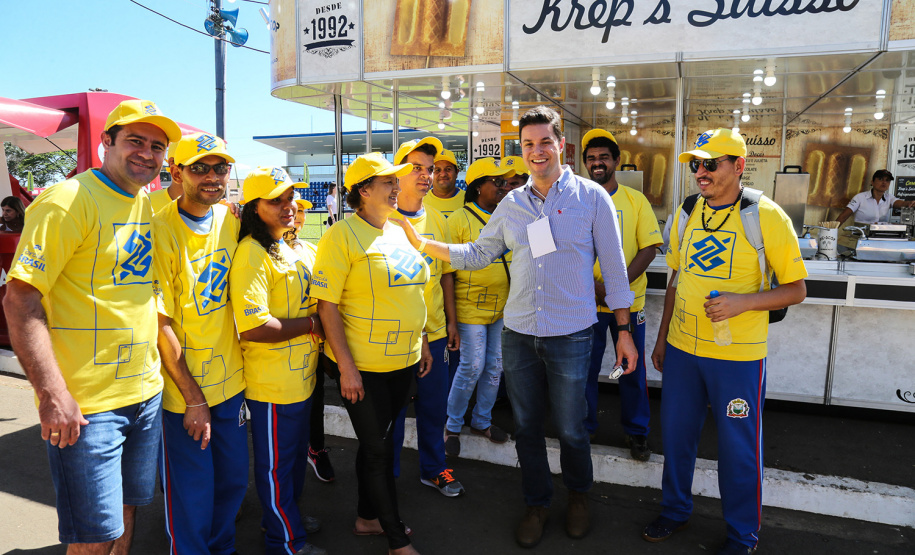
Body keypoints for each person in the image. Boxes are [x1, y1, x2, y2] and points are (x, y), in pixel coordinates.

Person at [391, 105, 637, 549]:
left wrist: (623, 330)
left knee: (572, 428)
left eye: (545, 142)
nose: (537, 151)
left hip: (573, 333)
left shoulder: (592, 198)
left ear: (561, 144)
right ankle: (537, 502)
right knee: (526, 427)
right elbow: (477, 255)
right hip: (520, 333)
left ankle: (578, 497)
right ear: (521, 150)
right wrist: (423, 242)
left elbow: (616, 271)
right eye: (528, 144)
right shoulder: (512, 203)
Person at [3, 99, 181, 553]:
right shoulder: (67, 202)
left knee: (126, 512)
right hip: (87, 408)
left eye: (156, 146)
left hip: (143, 394)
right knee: (92, 537)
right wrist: (52, 394)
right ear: (106, 142)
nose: (146, 153)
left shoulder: (142, 202)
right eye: (134, 141)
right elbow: (20, 300)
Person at [643, 129, 807, 555]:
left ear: (738, 166)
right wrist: (662, 339)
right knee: (677, 437)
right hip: (683, 349)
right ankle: (675, 511)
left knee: (738, 448)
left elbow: (796, 289)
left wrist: (743, 302)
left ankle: (742, 535)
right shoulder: (686, 211)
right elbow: (677, 278)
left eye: (711, 164)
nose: (701, 172)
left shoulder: (766, 215)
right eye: (696, 164)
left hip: (737, 358)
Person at [312, 152, 426, 555]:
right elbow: (327, 306)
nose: (398, 187)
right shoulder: (340, 236)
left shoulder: (399, 229)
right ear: (363, 190)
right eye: (388, 182)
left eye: (397, 181)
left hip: (405, 362)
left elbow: (413, 290)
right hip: (364, 368)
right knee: (378, 450)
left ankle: (367, 517)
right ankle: (396, 540)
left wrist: (423, 340)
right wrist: (346, 367)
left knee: (378, 441)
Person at [152, 133, 248, 555]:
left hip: (233, 383)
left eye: (220, 168)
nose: (212, 177)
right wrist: (192, 398)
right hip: (185, 393)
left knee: (232, 482)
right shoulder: (158, 231)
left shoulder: (232, 220)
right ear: (176, 172)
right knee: (192, 495)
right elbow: (159, 324)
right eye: (200, 168)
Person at [230, 166, 326, 555]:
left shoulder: (285, 246)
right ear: (254, 207)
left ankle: (289, 517)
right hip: (272, 385)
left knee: (291, 466)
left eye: (290, 198)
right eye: (276, 200)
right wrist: (313, 323)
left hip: (301, 379)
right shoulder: (252, 254)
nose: (288, 207)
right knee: (275, 470)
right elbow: (252, 327)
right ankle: (284, 542)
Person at [581, 129, 662, 461]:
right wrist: (595, 287)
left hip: (629, 304)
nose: (597, 163)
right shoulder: (576, 200)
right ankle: (583, 429)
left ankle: (637, 432)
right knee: (583, 370)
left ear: (615, 161)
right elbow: (563, 252)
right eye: (591, 158)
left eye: (603, 157)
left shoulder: (635, 200)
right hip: (586, 303)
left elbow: (650, 247)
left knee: (631, 368)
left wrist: (616, 287)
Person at [390, 138, 465, 498]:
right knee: (391, 418)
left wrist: (451, 322)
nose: (426, 175)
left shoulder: (437, 218)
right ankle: (384, 479)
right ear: (398, 172)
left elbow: (446, 273)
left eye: (430, 169)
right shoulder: (380, 219)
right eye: (416, 168)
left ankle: (434, 469)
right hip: (392, 339)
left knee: (434, 409)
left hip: (435, 332)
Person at [442, 157, 514, 457]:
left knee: (496, 367)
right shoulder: (458, 220)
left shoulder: (511, 216)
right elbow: (446, 273)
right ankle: (453, 425)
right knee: (472, 366)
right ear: (477, 187)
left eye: (502, 182)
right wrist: (451, 321)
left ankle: (482, 421)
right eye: (496, 182)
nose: (502, 187)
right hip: (469, 309)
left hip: (503, 309)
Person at [289, 192, 337, 483]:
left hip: (313, 341)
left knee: (315, 398)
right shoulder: (258, 250)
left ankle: (315, 448)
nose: (297, 216)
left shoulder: (310, 248)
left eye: (302, 210)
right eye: (293, 209)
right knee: (287, 413)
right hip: (279, 345)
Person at [836, 169, 915, 225]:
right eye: (880, 179)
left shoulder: (889, 198)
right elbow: (843, 217)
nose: (884, 182)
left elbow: (901, 203)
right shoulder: (860, 197)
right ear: (872, 182)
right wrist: (830, 233)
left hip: (880, 237)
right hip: (860, 237)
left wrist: (909, 203)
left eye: (887, 180)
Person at [425, 148, 465, 217]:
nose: (443, 174)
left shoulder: (469, 200)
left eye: (448, 169)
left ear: (457, 172)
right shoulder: (420, 202)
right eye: (437, 170)